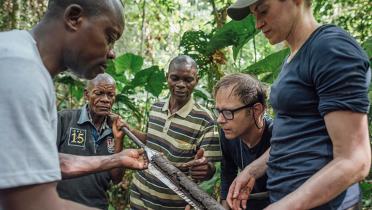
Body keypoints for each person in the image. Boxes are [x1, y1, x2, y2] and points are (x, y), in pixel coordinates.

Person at [0, 1, 147, 210]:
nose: (112, 53)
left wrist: (117, 158)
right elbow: (32, 204)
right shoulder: (21, 70)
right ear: (74, 18)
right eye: (109, 37)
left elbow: (47, 163)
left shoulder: (20, 56)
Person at [226, 0, 371, 210]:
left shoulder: (329, 48)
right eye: (253, 15)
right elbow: (295, 139)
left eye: (263, 11)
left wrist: (283, 207)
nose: (257, 24)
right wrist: (253, 170)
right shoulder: (293, 57)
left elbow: (355, 160)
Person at [126, 55, 222, 210]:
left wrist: (206, 169)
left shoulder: (206, 120)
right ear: (167, 78)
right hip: (139, 197)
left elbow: (209, 167)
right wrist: (128, 129)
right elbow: (151, 141)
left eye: (188, 80)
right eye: (175, 78)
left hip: (173, 205)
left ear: (197, 80)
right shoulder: (155, 108)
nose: (181, 85)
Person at [56, 73, 128, 209]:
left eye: (110, 95)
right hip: (61, 204)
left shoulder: (115, 129)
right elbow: (43, 162)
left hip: (96, 205)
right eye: (99, 93)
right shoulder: (65, 119)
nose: (105, 100)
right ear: (86, 95)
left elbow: (117, 178)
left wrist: (119, 139)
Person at [213, 73, 272, 210]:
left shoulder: (276, 134)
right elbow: (228, 174)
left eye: (228, 112)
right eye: (218, 111)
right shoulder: (228, 134)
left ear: (255, 110)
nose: (220, 120)